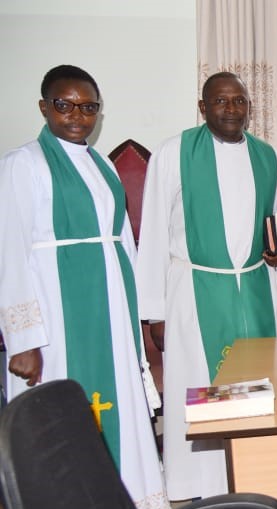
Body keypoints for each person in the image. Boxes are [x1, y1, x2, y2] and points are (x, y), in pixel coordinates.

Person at [0, 65, 169, 508]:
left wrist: (138, 315)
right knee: (60, 414)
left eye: (88, 107)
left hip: (110, 314)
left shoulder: (102, 166)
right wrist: (23, 340)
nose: (78, 116)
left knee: (119, 405)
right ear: (44, 107)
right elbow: (10, 252)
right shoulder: (23, 164)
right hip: (57, 319)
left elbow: (122, 244)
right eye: (65, 105)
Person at [135, 72, 277, 500]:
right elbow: (153, 232)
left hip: (255, 289)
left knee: (261, 385)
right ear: (203, 107)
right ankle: (200, 485)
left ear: (249, 106)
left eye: (239, 101)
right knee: (197, 385)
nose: (231, 109)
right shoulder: (174, 153)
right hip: (194, 293)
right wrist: (154, 312)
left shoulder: (269, 157)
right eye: (221, 101)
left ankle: (257, 477)